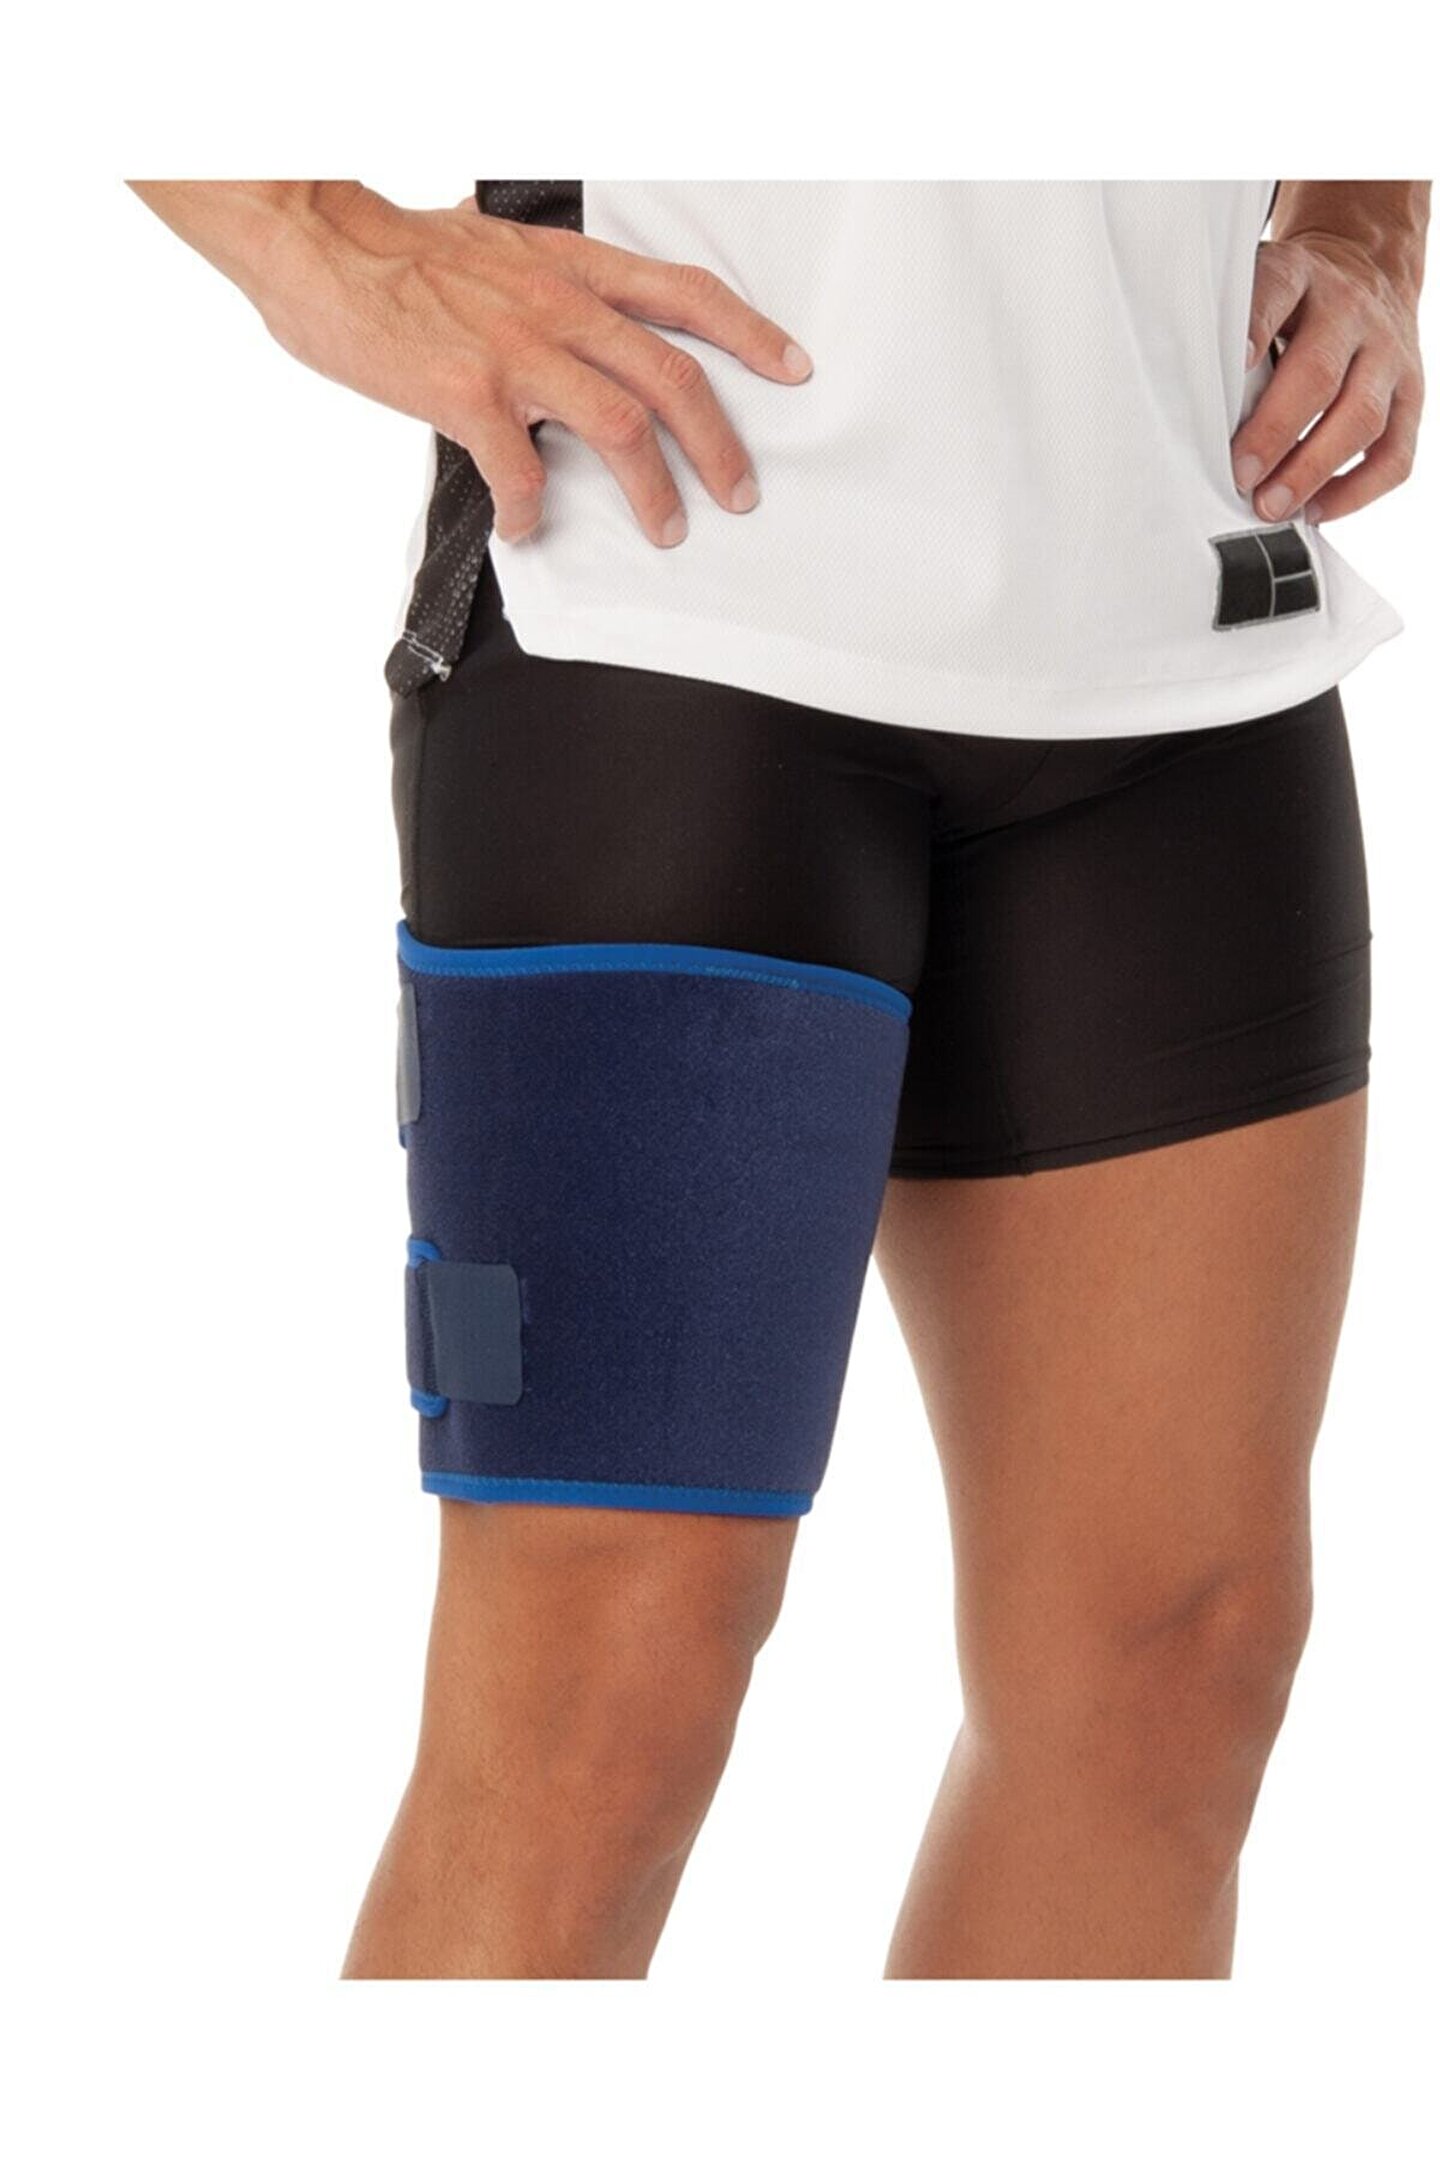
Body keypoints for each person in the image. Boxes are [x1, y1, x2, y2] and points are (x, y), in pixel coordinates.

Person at [127, 177, 1429, 1979]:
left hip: (1173, 592)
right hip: (659, 592)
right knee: (607, 1695)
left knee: (1174, 1669)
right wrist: (304, 234)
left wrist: (1367, 225)